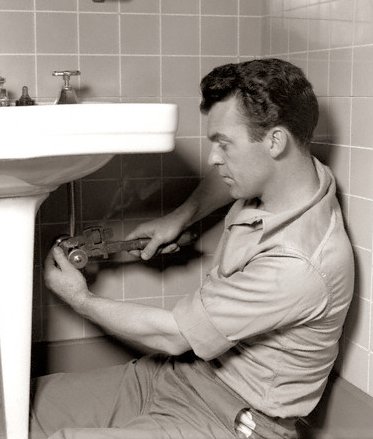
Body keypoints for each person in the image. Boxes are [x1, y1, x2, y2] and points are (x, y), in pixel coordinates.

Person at [33, 58, 354, 439]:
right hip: (181, 375)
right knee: (25, 405)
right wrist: (182, 217)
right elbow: (235, 175)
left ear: (275, 141)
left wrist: (79, 299)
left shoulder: (300, 263)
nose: (213, 158)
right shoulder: (294, 176)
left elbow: (173, 334)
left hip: (232, 418)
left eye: (223, 144)